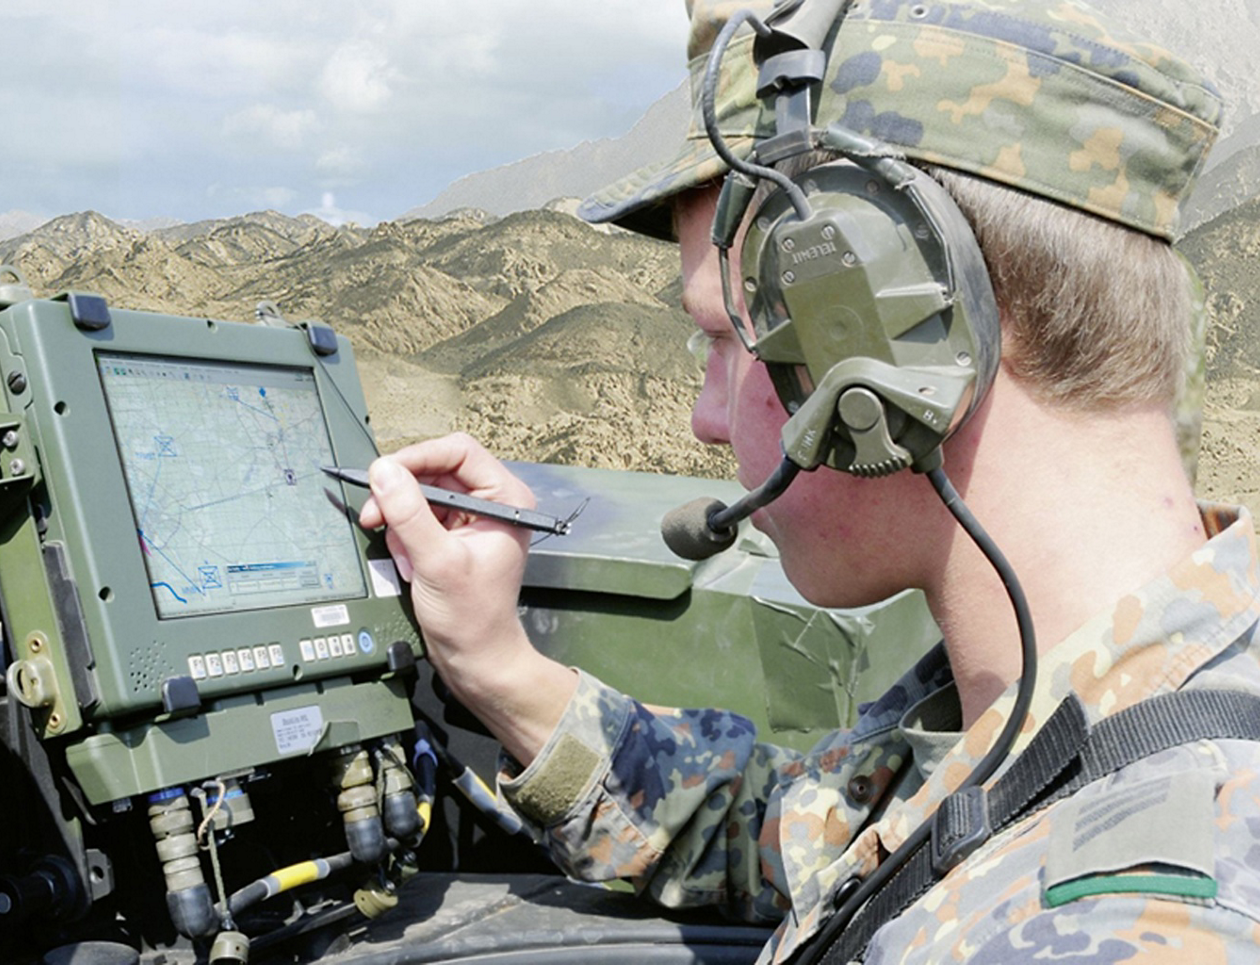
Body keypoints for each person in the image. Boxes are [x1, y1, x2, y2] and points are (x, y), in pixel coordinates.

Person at [359, 0, 1260, 960]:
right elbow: (802, 828)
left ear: (892, 340)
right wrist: (498, 666)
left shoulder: (1131, 924)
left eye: (723, 338)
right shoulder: (1042, 718)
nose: (705, 416)